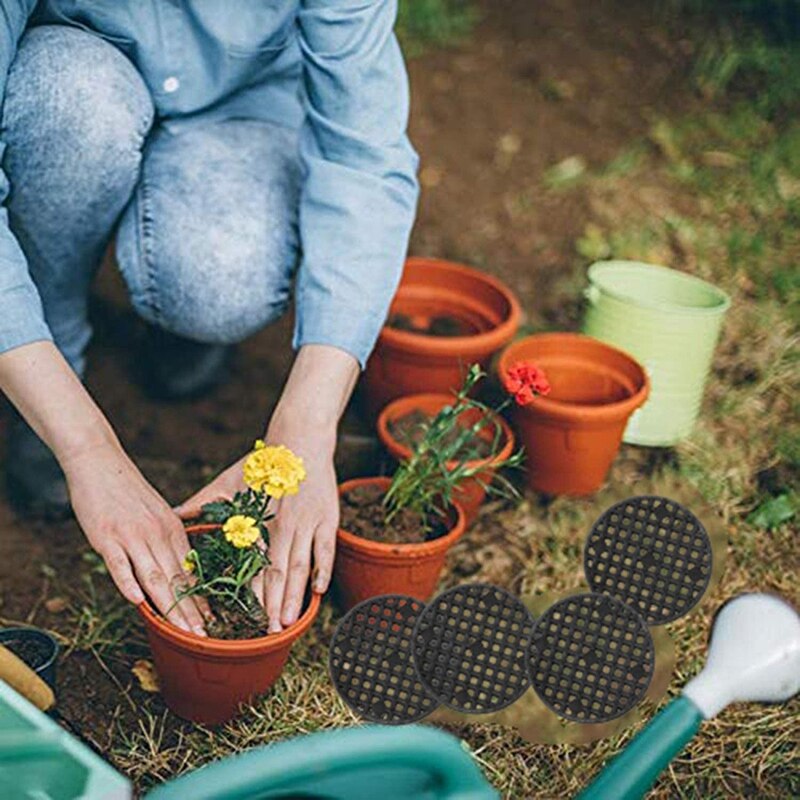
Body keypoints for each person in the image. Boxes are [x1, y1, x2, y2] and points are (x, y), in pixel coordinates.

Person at [0, 2, 418, 635]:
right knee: (68, 99)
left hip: (240, 102)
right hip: (80, 78)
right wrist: (85, 448)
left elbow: (364, 160)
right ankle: (51, 359)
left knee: (220, 276)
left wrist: (308, 427)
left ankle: (178, 316)